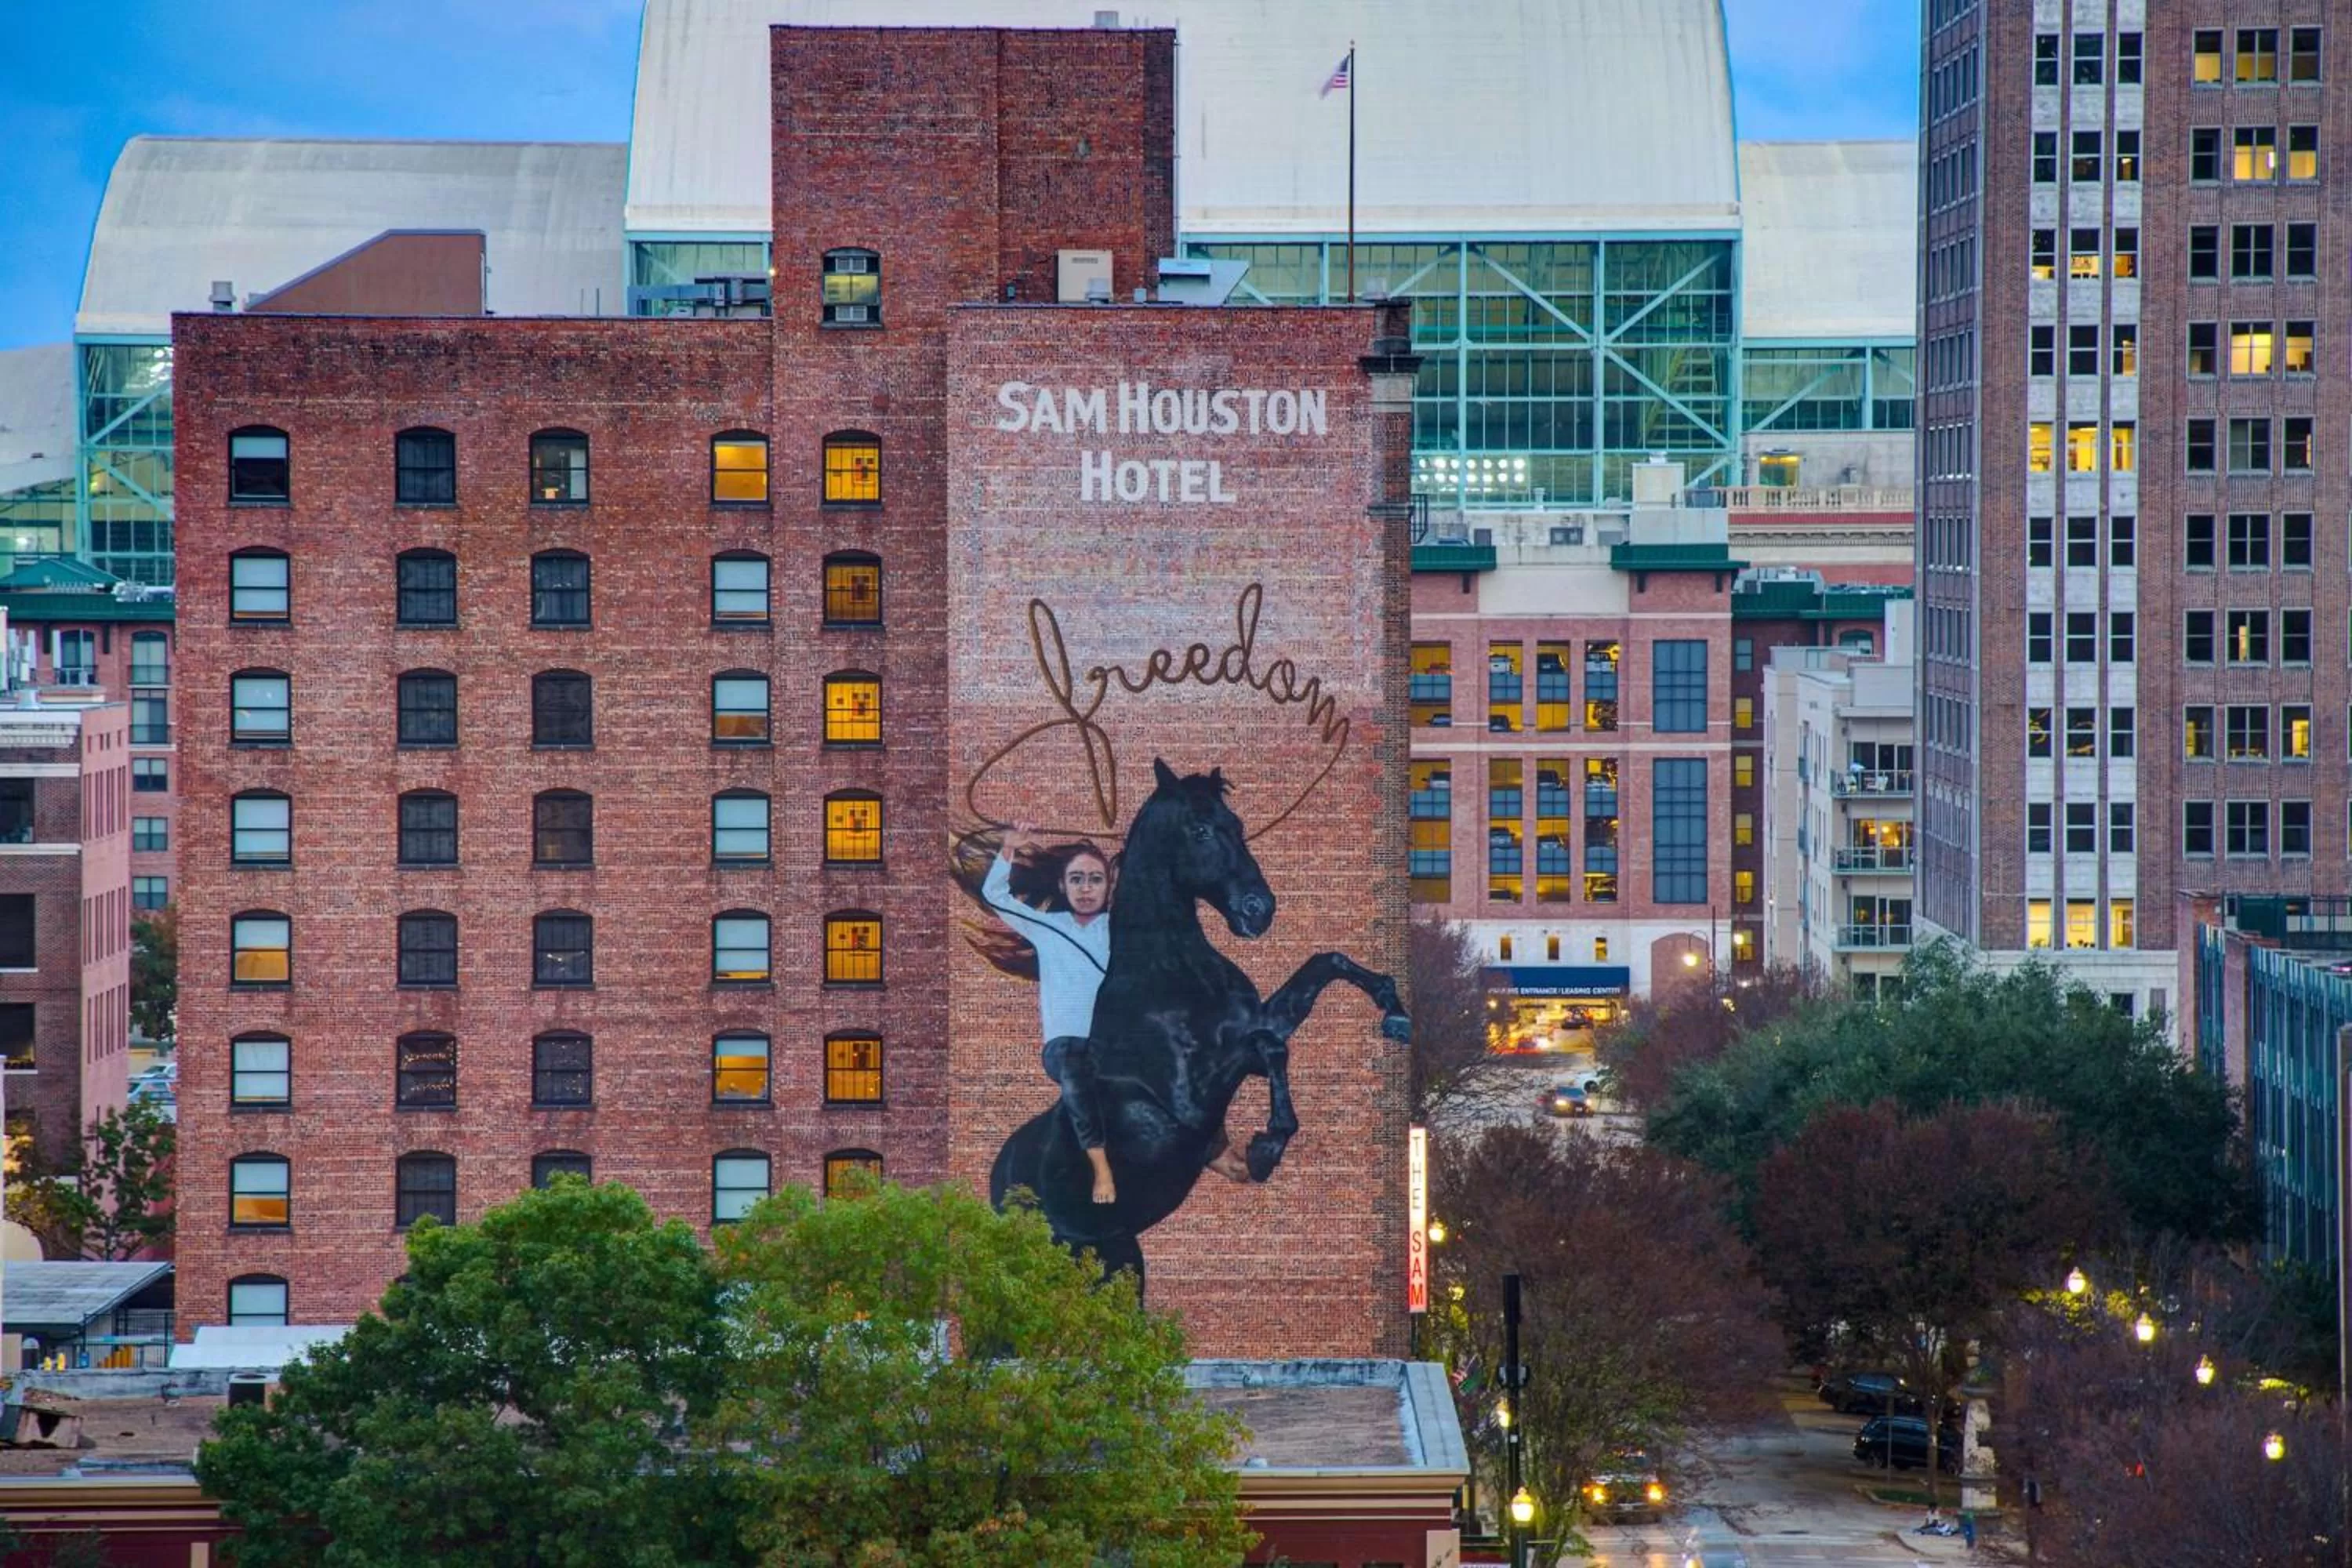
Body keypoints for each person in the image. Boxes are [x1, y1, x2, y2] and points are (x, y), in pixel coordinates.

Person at [982, 823, 1119, 1203]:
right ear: (1063, 886)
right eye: (1077, 879)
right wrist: (1008, 849)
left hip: (1112, 1041)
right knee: (1075, 1075)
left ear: (1109, 886)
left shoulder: (1120, 928)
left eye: (1095, 879)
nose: (1086, 888)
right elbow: (995, 896)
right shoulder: (1047, 926)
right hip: (1065, 1045)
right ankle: (1101, 1170)